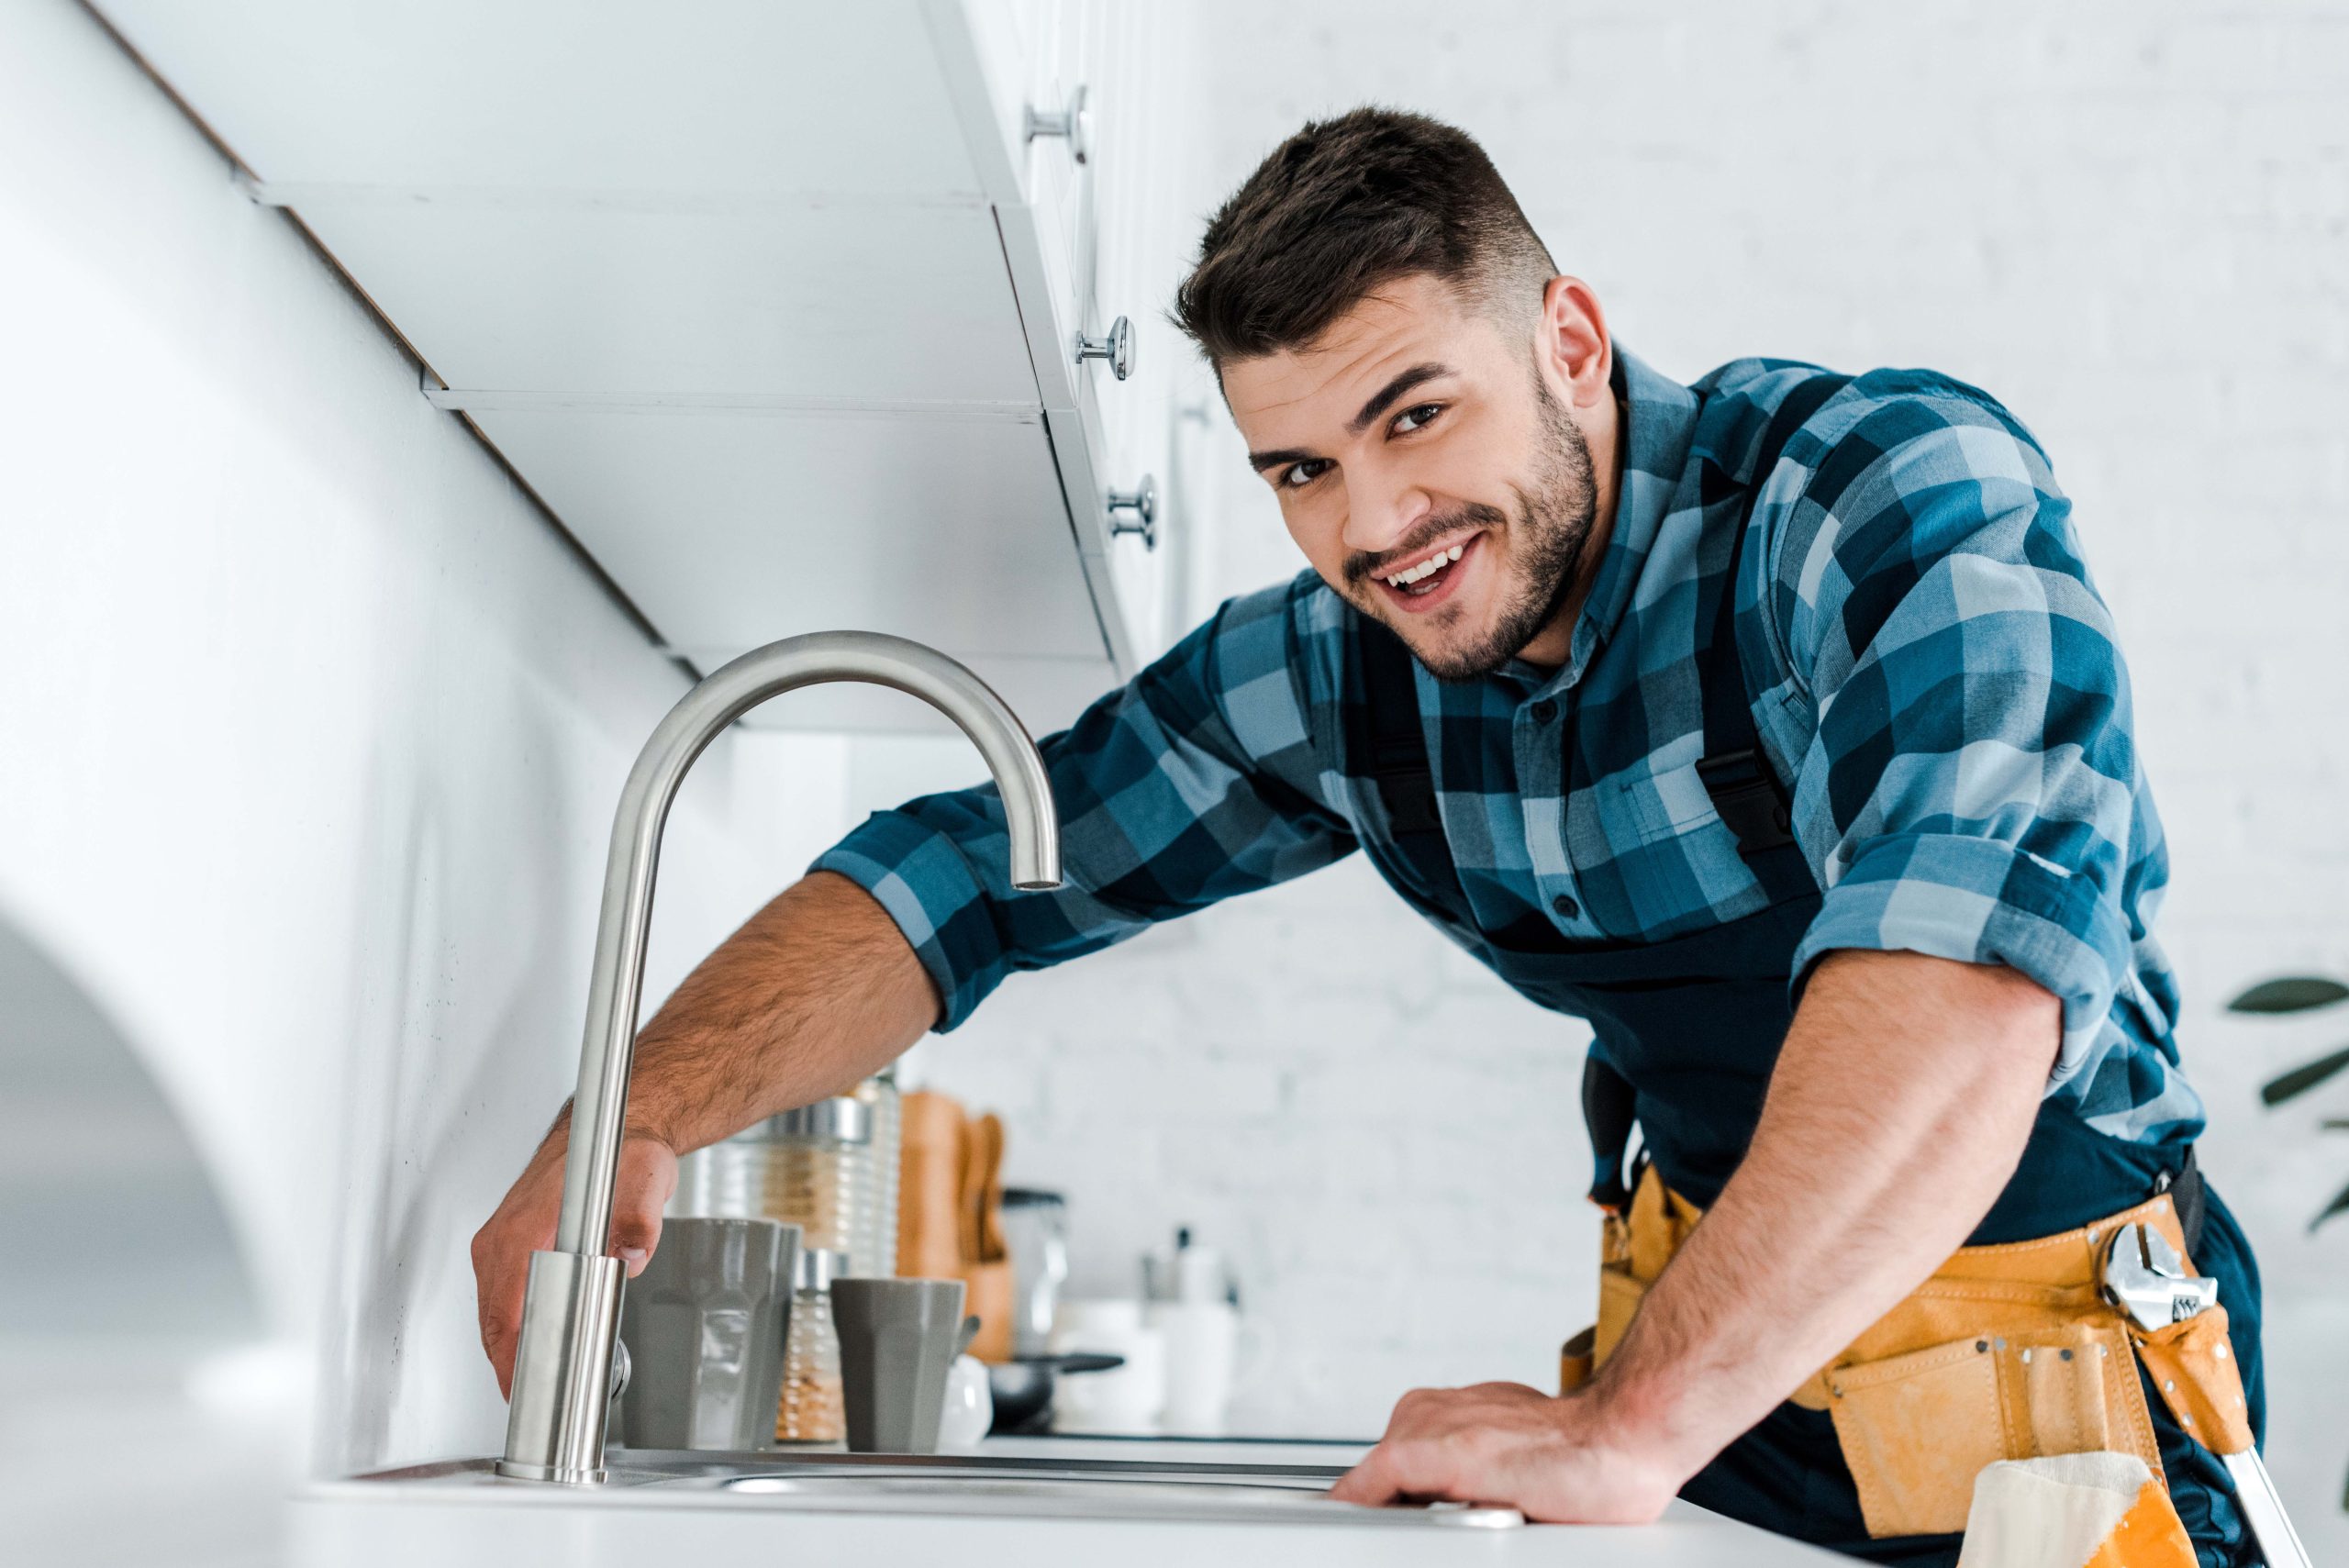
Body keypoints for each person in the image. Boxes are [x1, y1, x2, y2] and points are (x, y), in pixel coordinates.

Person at [473, 108, 2263, 1564]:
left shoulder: (1868, 498)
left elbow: (1965, 992)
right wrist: (630, 1114)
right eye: (1299, 469)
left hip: (2050, 1428)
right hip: (1722, 1420)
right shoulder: (1340, 682)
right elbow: (973, 876)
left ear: (1564, 341)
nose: (1375, 523)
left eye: (1413, 417)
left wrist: (1626, 1426)